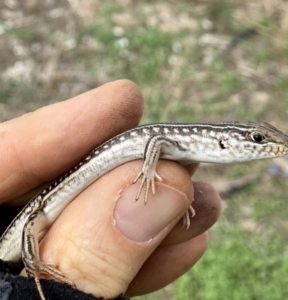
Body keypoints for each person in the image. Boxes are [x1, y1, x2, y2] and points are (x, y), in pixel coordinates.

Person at [0, 80, 222, 299]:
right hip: (42, 205)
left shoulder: (184, 146)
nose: (259, 146)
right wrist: (147, 170)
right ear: (223, 140)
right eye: (257, 139)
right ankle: (32, 265)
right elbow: (156, 141)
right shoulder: (174, 140)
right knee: (32, 224)